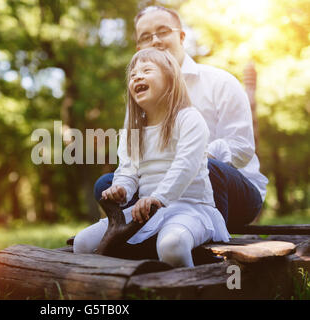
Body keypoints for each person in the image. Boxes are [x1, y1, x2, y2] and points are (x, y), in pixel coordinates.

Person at [94, 6, 268, 230]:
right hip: (161, 185)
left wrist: (196, 155)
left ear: (181, 36)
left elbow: (243, 148)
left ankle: (205, 239)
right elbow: (132, 160)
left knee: (205, 166)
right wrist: (124, 185)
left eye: (163, 31)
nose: (155, 41)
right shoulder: (141, 97)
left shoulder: (220, 82)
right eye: (146, 37)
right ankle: (147, 232)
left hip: (231, 192)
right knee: (106, 186)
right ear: (139, 48)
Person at [73, 48, 230, 268]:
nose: (137, 76)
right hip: (148, 212)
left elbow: (185, 166)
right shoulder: (133, 130)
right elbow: (128, 171)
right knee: (82, 244)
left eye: (147, 70)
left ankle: (188, 290)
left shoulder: (189, 118)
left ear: (170, 79)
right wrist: (121, 189)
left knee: (172, 246)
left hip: (190, 208)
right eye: (133, 74)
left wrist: (158, 197)